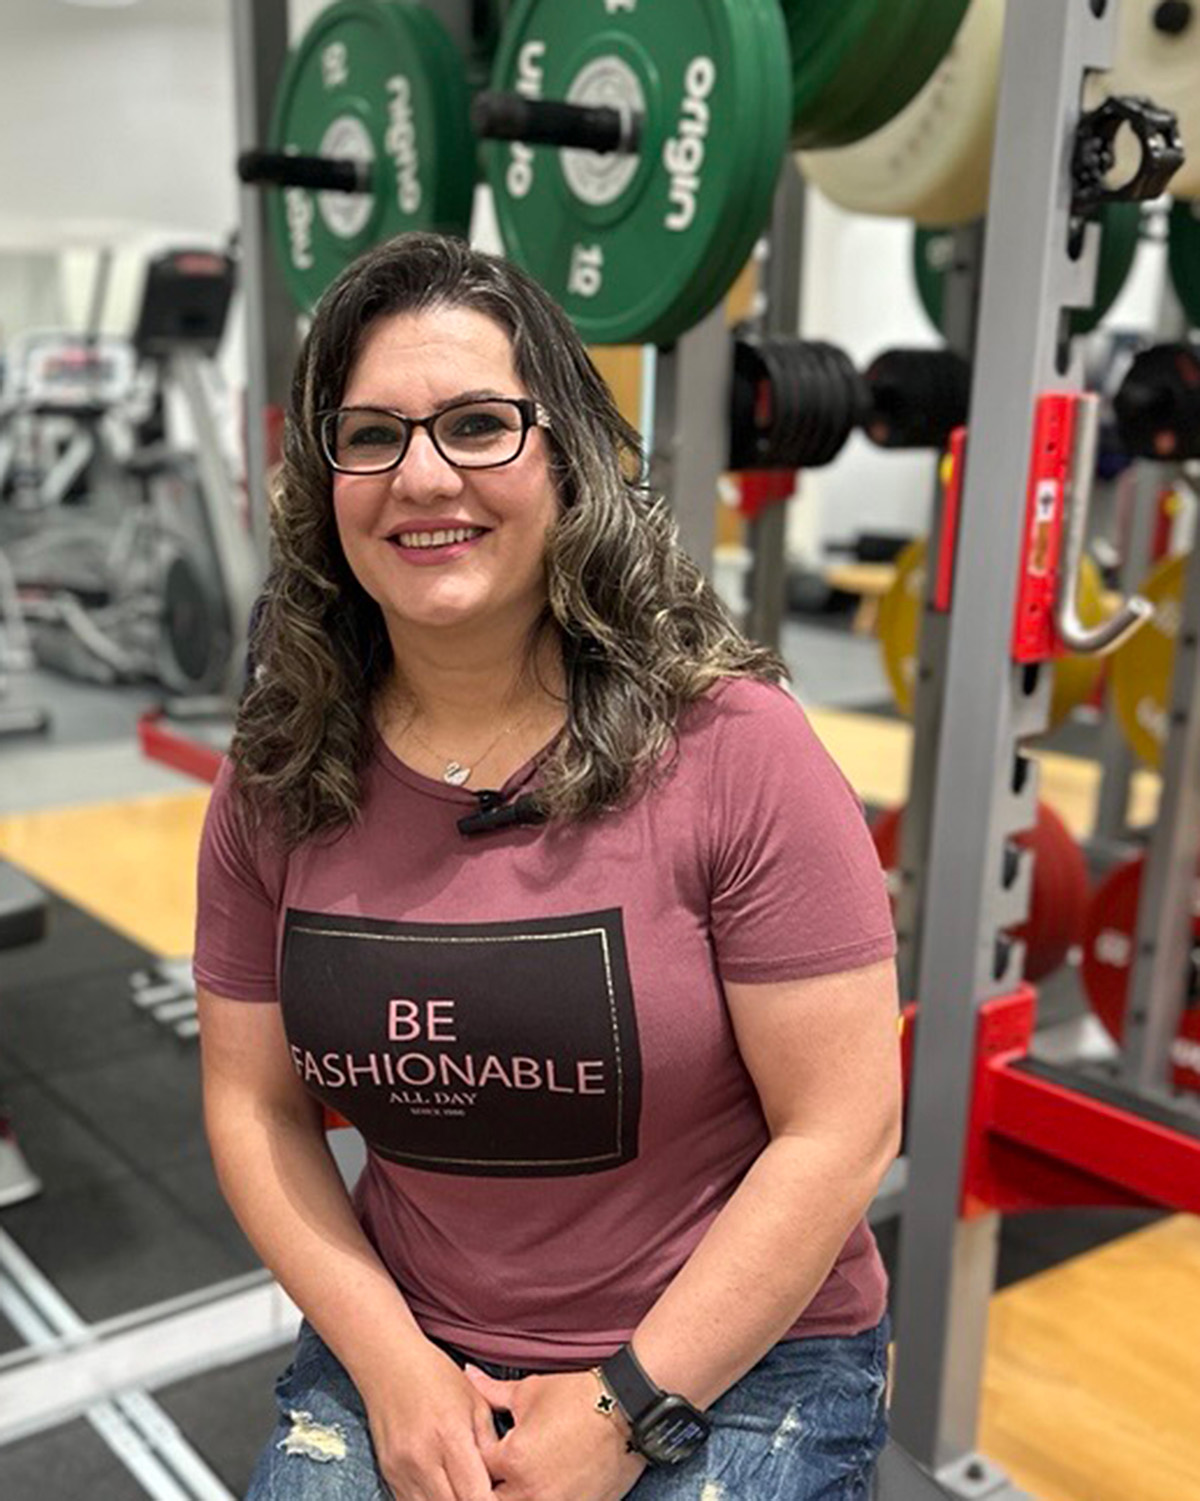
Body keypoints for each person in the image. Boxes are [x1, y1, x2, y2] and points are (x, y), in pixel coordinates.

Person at [194, 231, 902, 1501]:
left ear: (566, 460)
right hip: (414, 1338)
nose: (423, 477)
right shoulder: (279, 776)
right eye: (371, 436)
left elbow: (842, 1127)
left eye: (478, 425)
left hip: (745, 1353)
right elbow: (255, 1108)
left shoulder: (736, 750)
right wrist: (396, 1366)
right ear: (327, 481)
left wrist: (623, 1408)